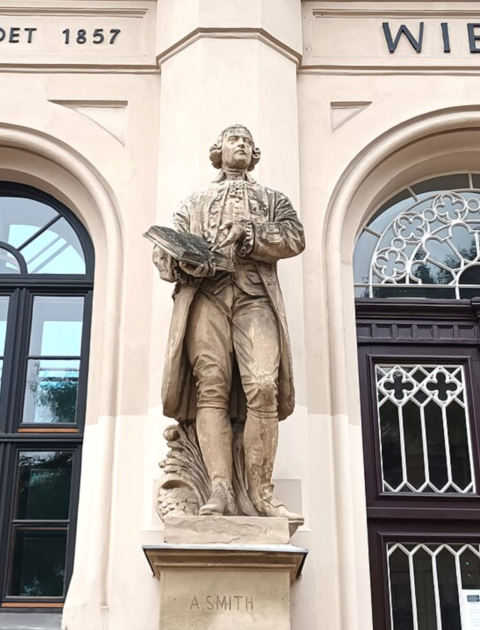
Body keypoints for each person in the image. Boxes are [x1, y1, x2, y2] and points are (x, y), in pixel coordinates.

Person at [154, 125, 305, 518]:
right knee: (211, 388)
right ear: (217, 150)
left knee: (264, 386)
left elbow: (294, 237)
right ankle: (219, 489)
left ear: (255, 154)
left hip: (255, 299)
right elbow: (164, 254)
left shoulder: (273, 199)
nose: (241, 144)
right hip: (207, 297)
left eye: (247, 141)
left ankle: (262, 494)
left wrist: (251, 233)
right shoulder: (193, 202)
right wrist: (182, 261)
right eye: (233, 139)